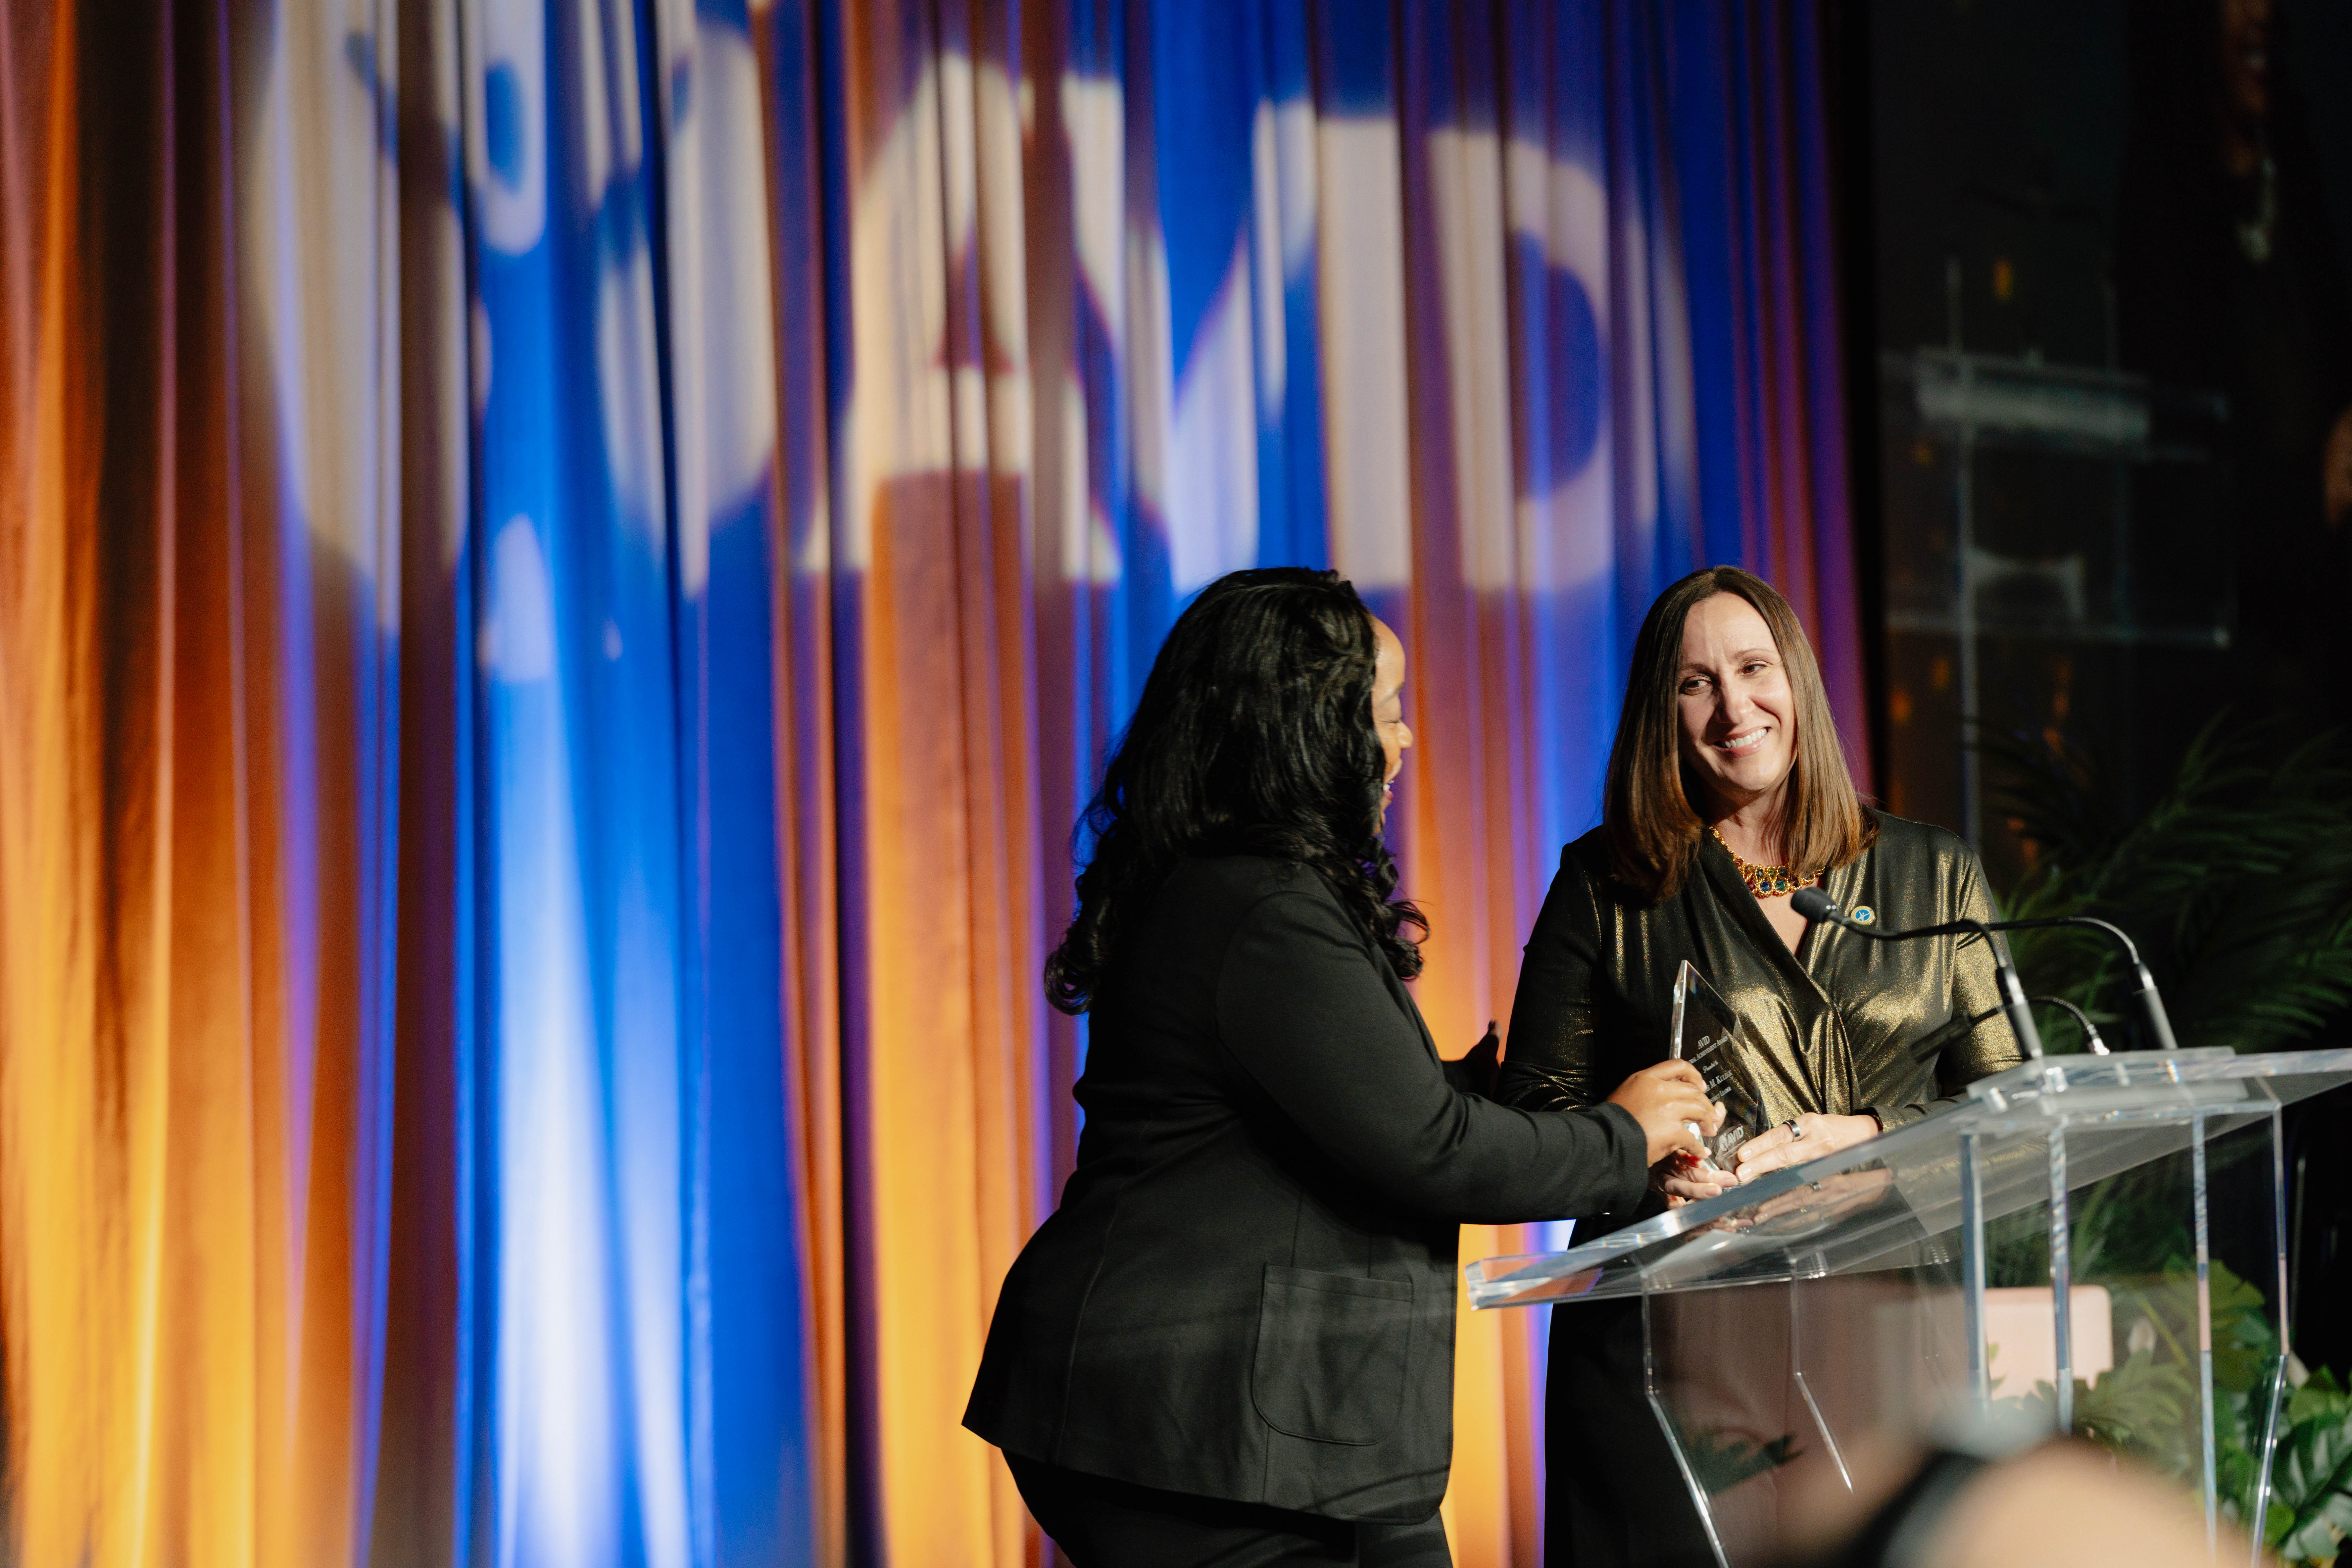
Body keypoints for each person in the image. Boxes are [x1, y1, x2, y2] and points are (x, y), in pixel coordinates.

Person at [964, 568, 1722, 1568]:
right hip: (1191, 1422)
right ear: (1308, 730)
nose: (1406, 740)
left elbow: (1345, 1109)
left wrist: (1517, 1093)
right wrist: (1624, 1137)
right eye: (1386, 710)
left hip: (1234, 1417)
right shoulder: (1263, 909)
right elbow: (1433, 1152)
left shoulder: (1241, 889)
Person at [1495, 566, 2026, 1567]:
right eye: (1695, 683)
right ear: (1661, 713)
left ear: (1798, 683)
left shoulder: (1933, 871)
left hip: (1883, 1337)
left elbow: (2015, 1117)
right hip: (1674, 1353)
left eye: (1753, 669)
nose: (1734, 708)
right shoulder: (1604, 882)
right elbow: (1532, 1108)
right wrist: (1643, 1157)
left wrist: (1872, 1145)